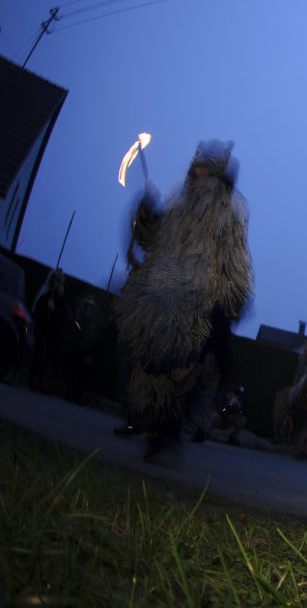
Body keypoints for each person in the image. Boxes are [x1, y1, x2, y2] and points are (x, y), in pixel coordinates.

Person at [112, 140, 253, 462]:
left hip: (195, 305)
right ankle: (152, 427)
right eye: (197, 170)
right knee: (148, 364)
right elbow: (152, 239)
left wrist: (231, 301)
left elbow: (234, 260)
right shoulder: (179, 204)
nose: (200, 177)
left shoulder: (226, 213)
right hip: (160, 297)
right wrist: (147, 211)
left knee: (176, 369)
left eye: (207, 172)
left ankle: (165, 435)